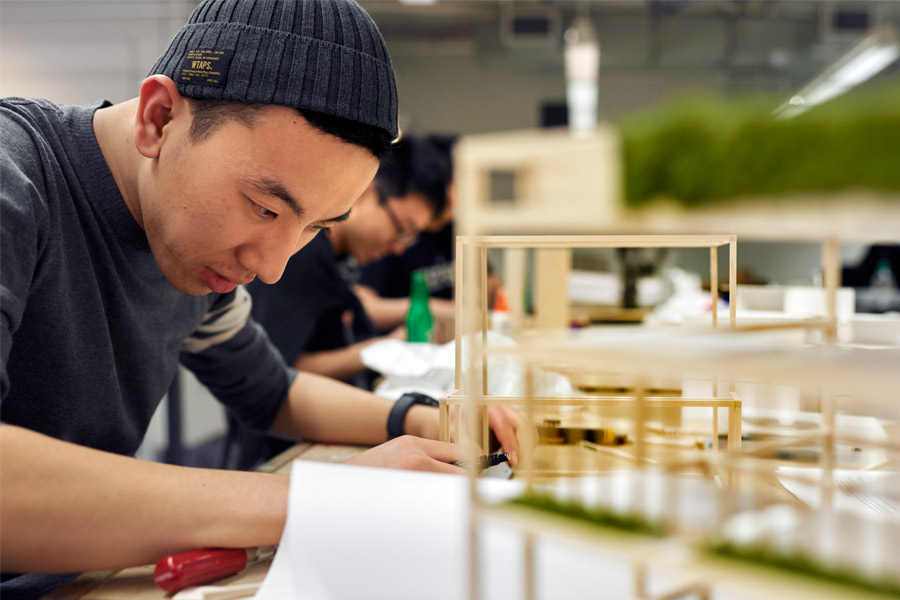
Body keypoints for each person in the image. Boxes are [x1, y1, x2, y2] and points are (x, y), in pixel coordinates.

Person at [0, 1, 520, 597]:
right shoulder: (14, 175)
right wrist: (324, 496)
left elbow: (272, 392)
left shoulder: (195, 244)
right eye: (264, 208)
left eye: (315, 228)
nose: (271, 267)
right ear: (159, 117)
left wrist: (425, 418)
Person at [247, 134, 452, 384]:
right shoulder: (304, 254)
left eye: (409, 237)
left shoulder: (341, 255)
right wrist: (383, 348)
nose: (399, 247)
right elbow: (276, 368)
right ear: (366, 191)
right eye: (400, 228)